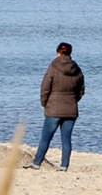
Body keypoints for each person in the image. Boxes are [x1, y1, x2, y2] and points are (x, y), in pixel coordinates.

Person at [27, 42, 85, 170]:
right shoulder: (77, 69)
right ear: (70, 53)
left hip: (54, 108)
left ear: (58, 53)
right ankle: (64, 166)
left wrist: (44, 103)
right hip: (71, 109)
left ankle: (36, 163)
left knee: (46, 138)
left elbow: (45, 87)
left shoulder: (53, 67)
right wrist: (73, 100)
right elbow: (81, 91)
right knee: (66, 139)